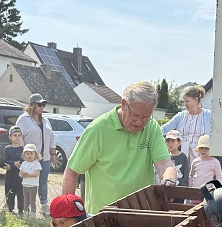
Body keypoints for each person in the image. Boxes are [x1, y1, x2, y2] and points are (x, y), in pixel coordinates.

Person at [62, 81, 178, 214]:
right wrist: (67, 214)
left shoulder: (151, 128)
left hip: (141, 216)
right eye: (135, 115)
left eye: (145, 117)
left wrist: (169, 178)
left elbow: (164, 163)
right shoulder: (98, 129)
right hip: (102, 217)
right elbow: (72, 171)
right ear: (123, 104)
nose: (140, 122)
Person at [16, 93, 57, 215]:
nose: (42, 107)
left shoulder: (45, 120)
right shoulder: (23, 119)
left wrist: (53, 153)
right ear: (32, 105)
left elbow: (51, 137)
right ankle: (25, 205)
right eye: (40, 104)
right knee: (28, 181)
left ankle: (44, 204)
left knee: (43, 180)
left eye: (43, 105)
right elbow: (19, 137)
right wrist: (23, 154)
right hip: (29, 158)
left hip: (44, 157)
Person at [160, 85, 211, 163]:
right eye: (183, 101)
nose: (185, 104)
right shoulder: (180, 116)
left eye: (187, 101)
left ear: (196, 100)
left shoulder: (208, 115)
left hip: (202, 157)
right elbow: (164, 129)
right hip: (182, 157)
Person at [3, 126, 25, 214]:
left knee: (21, 194)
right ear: (10, 137)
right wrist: (13, 164)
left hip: (20, 175)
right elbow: (5, 161)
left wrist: (16, 165)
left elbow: (24, 161)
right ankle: (10, 208)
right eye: (14, 135)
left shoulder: (23, 149)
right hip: (10, 175)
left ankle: (21, 210)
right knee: (9, 192)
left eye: (19, 135)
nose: (17, 137)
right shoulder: (7, 148)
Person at [20, 143, 42, 217]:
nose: (29, 155)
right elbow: (20, 174)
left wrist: (27, 174)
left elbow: (36, 174)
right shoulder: (24, 163)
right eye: (27, 153)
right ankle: (25, 213)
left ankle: (32, 214)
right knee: (26, 200)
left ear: (35, 154)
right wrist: (22, 174)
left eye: (31, 153)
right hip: (25, 184)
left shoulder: (36, 163)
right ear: (24, 155)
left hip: (33, 185)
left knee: (32, 201)